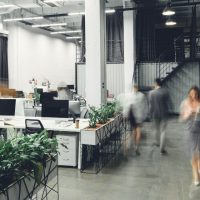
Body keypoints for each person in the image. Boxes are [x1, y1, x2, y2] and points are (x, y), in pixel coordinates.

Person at [117, 85, 148, 156]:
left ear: (133, 88)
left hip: (131, 116)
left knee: (132, 131)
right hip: (139, 116)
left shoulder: (129, 96)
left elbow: (126, 106)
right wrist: (144, 116)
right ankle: (136, 146)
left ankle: (127, 148)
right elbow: (145, 107)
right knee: (138, 131)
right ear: (138, 88)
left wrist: (124, 115)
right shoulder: (142, 95)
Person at [180, 86, 200, 186]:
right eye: (192, 94)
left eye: (196, 94)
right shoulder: (185, 103)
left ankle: (198, 170)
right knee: (193, 155)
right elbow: (181, 119)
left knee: (198, 154)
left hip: (199, 130)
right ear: (189, 93)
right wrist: (189, 115)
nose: (194, 96)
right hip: (190, 131)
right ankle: (196, 177)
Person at [149, 78, 172, 155]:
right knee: (163, 131)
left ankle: (157, 142)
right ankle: (162, 148)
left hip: (155, 114)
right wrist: (170, 109)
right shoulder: (166, 91)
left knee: (156, 129)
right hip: (164, 114)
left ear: (156, 83)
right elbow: (170, 103)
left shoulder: (151, 93)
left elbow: (151, 105)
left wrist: (150, 114)